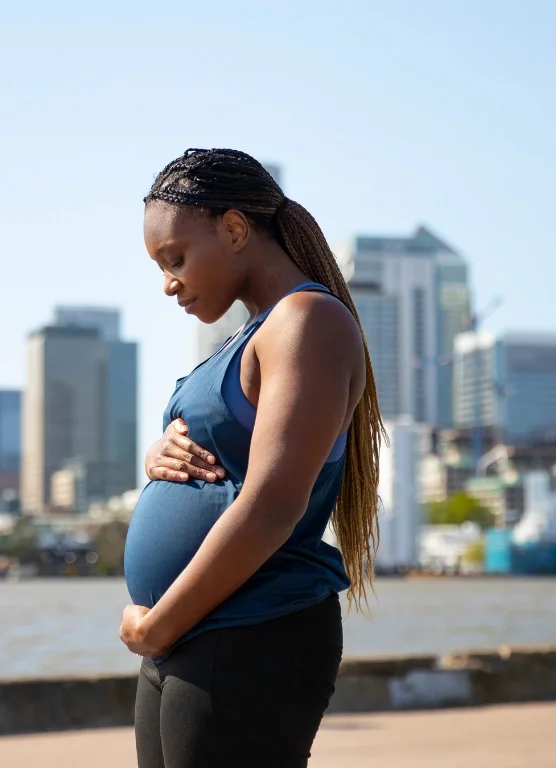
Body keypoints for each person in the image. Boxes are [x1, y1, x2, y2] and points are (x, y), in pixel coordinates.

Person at [119, 148, 384, 767]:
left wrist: (157, 627)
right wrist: (160, 455)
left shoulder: (306, 320)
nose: (168, 283)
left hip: (250, 632)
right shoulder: (250, 333)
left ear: (235, 230)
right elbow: (229, 453)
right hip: (193, 635)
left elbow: (272, 504)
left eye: (176, 258)